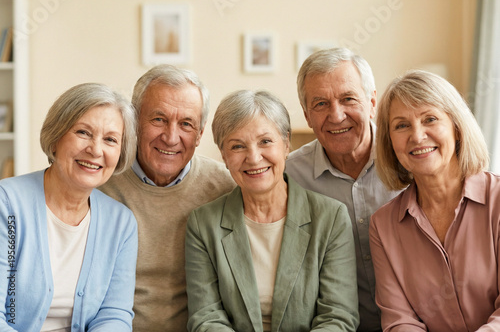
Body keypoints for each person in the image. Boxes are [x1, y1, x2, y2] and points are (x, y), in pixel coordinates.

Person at [185, 89, 359, 332]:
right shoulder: (204, 224)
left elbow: (337, 317)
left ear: (286, 144)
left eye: (265, 141)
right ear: (223, 155)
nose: (254, 158)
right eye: (237, 146)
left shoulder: (330, 218)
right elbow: (207, 318)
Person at [99, 64, 235, 332]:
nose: (171, 138)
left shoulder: (224, 187)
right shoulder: (100, 183)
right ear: (134, 120)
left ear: (200, 134)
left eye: (186, 124)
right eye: (159, 119)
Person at [0, 83, 138, 331]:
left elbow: (114, 315)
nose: (95, 149)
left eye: (110, 139)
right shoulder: (7, 205)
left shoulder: (121, 223)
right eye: (83, 132)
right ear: (55, 139)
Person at [370, 70, 499, 331]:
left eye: (430, 119)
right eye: (401, 125)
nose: (417, 136)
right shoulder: (383, 225)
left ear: (457, 128)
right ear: (390, 142)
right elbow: (400, 321)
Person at [285, 47, 401, 332]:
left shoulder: (408, 159)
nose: (336, 116)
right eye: (320, 104)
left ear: (372, 102)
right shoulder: (288, 176)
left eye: (348, 99)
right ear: (307, 115)